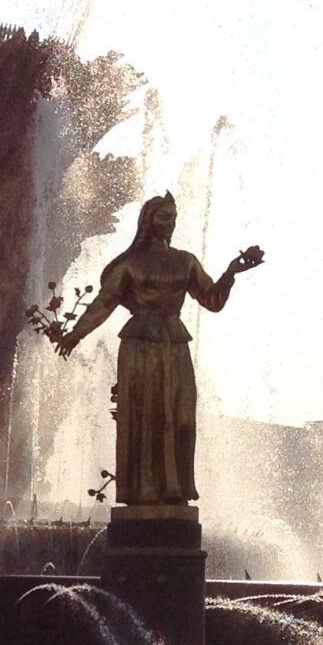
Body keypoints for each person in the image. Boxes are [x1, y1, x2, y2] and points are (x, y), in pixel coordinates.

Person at [51, 191, 263, 509]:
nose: (171, 222)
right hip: (140, 345)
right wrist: (74, 335)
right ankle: (144, 490)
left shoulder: (185, 261)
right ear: (148, 222)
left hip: (174, 344)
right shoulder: (129, 264)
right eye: (164, 216)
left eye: (174, 217)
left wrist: (232, 272)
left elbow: (213, 300)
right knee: (145, 415)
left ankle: (175, 485)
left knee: (181, 417)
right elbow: (103, 304)